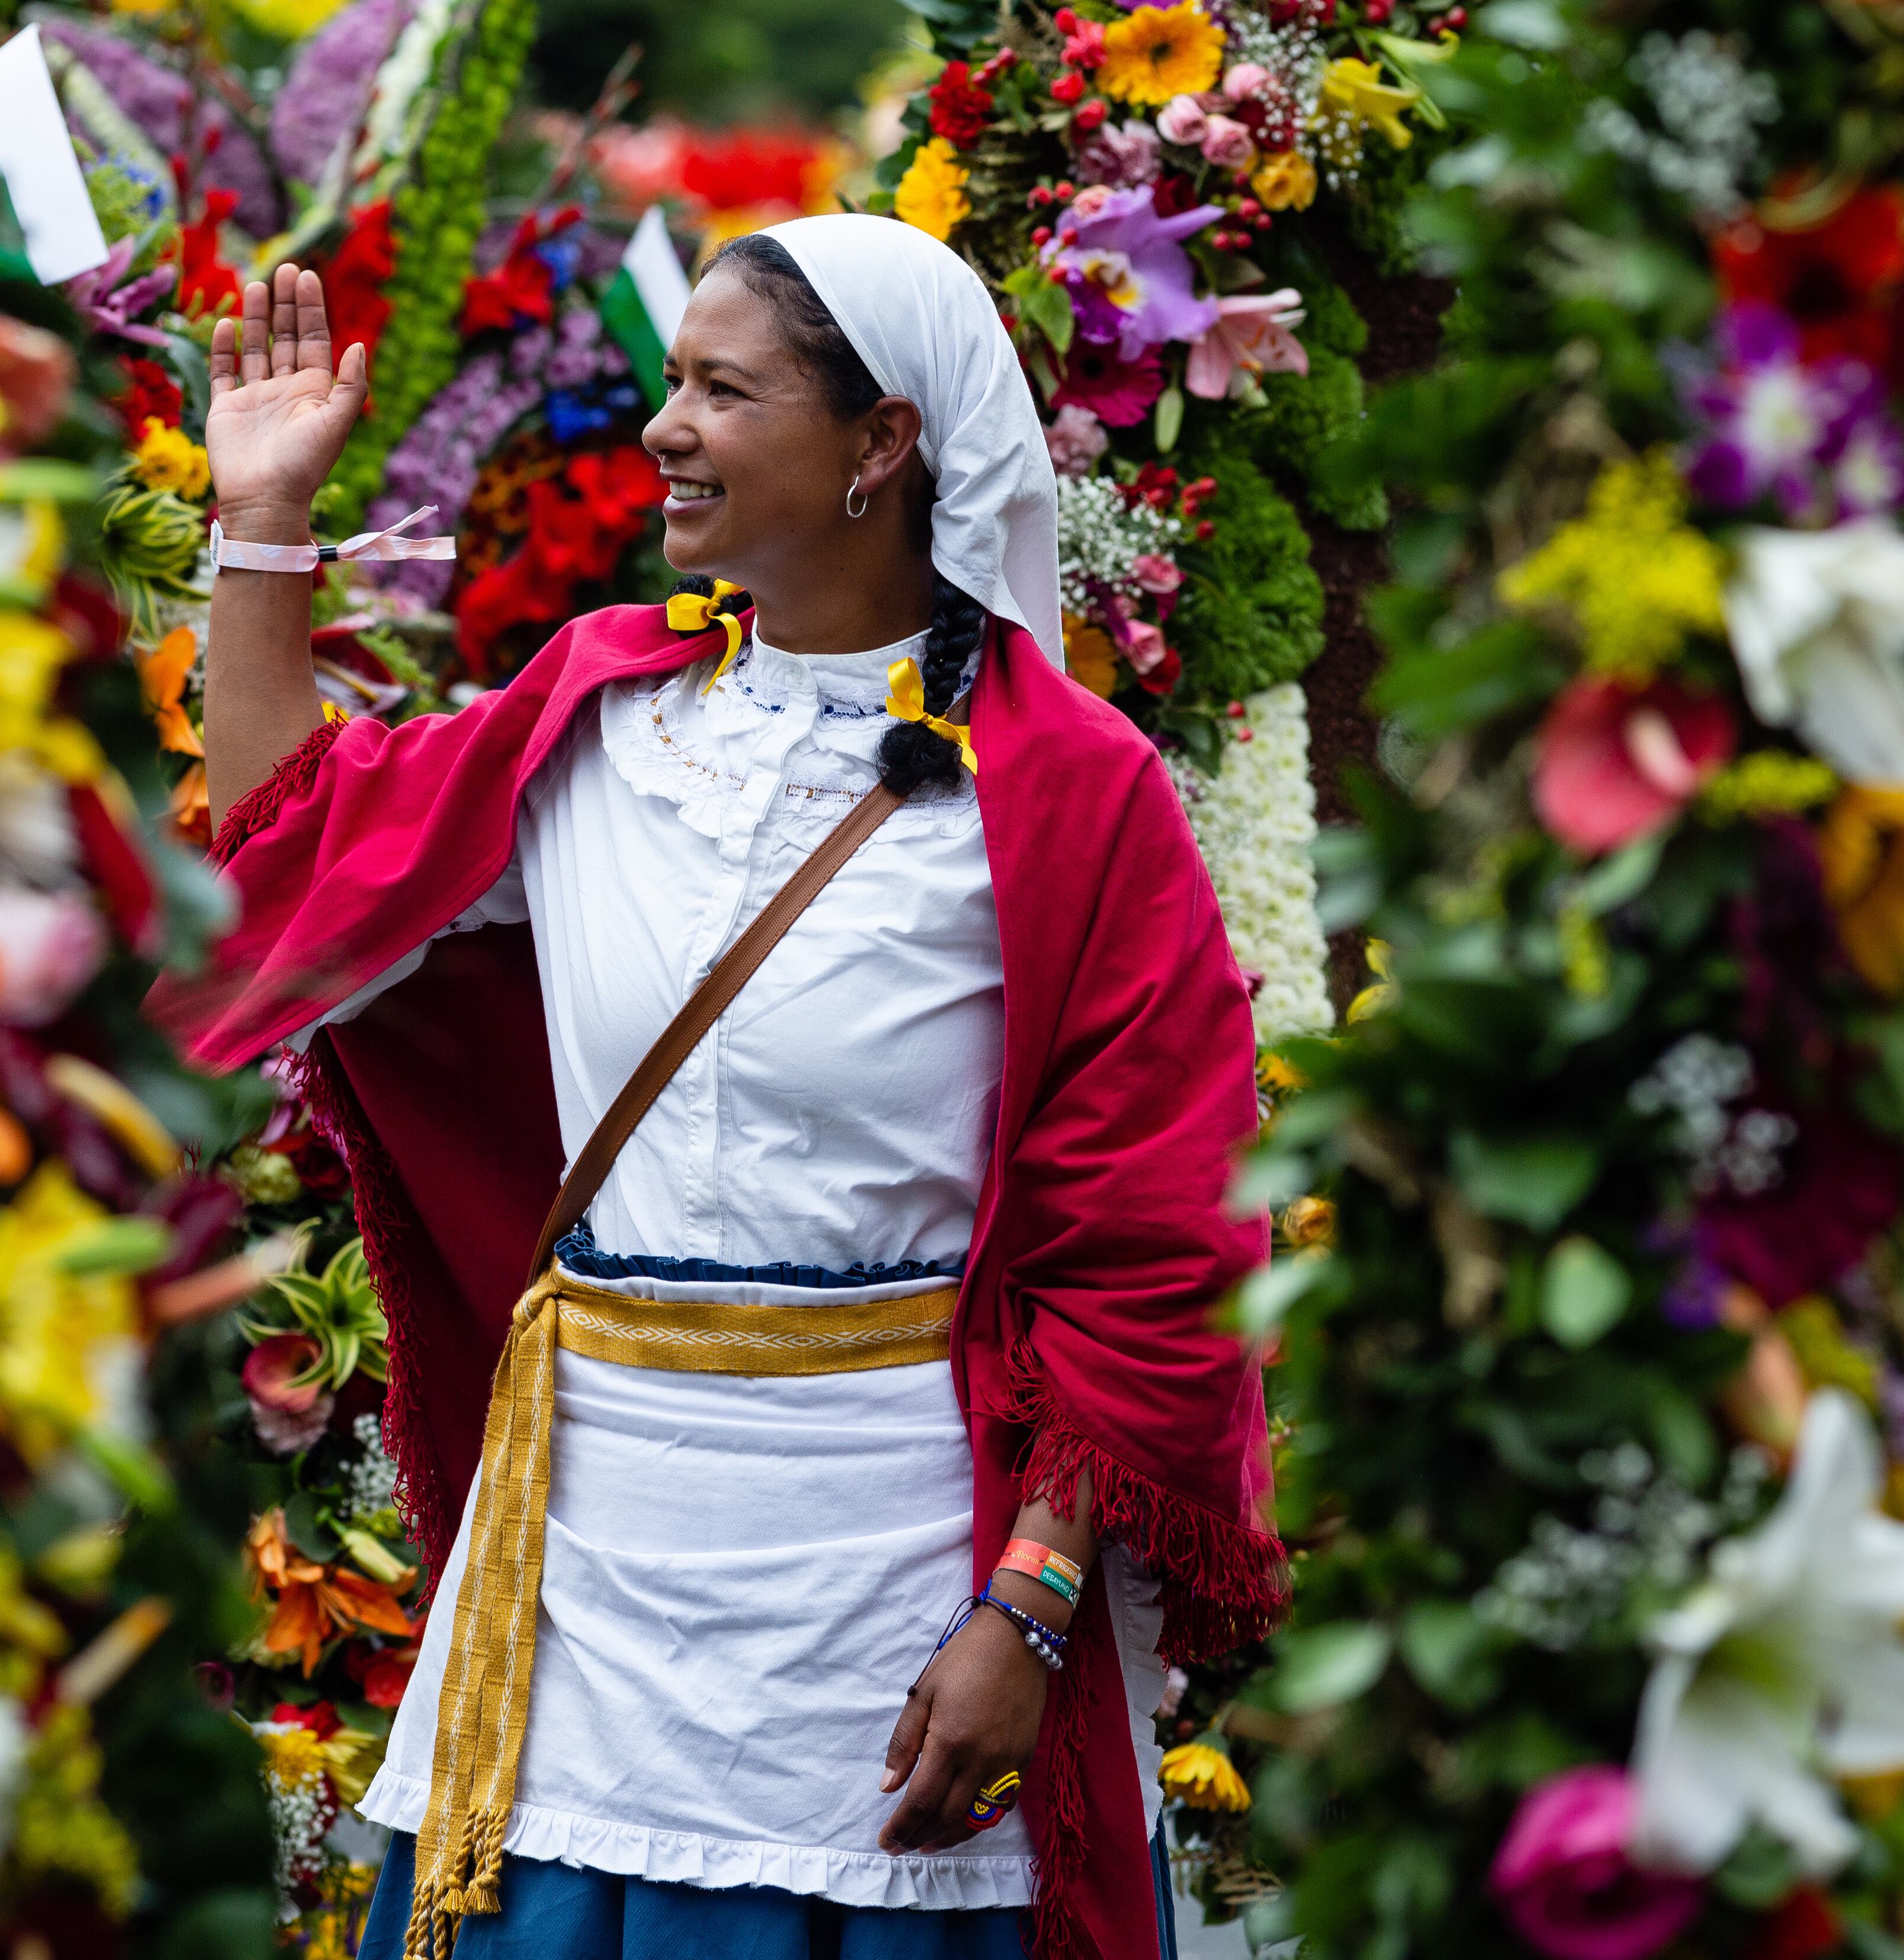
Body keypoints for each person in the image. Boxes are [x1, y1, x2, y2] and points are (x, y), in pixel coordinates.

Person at [156, 216, 1281, 1960]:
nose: (663, 426)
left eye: (720, 389)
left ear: (882, 444)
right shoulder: (602, 715)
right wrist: (265, 528)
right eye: (671, 382)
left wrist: (1036, 1609)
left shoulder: (1072, 790)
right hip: (579, 1579)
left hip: (897, 1599)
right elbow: (296, 866)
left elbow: (1156, 1241)